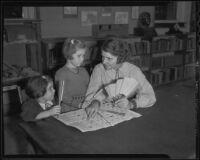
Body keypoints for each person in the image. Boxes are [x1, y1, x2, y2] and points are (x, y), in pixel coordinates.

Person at [83, 38, 156, 118]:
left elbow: (150, 96)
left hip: (125, 114)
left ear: (120, 57)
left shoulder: (133, 71)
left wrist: (131, 104)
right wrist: (95, 102)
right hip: (103, 112)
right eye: (103, 57)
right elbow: (91, 93)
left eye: (109, 58)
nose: (104, 62)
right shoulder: (99, 69)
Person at [55, 38, 90, 112]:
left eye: (83, 55)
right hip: (68, 111)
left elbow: (90, 88)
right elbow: (63, 97)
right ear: (68, 56)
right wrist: (79, 105)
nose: (82, 59)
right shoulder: (61, 73)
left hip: (84, 107)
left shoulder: (84, 71)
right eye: (79, 56)